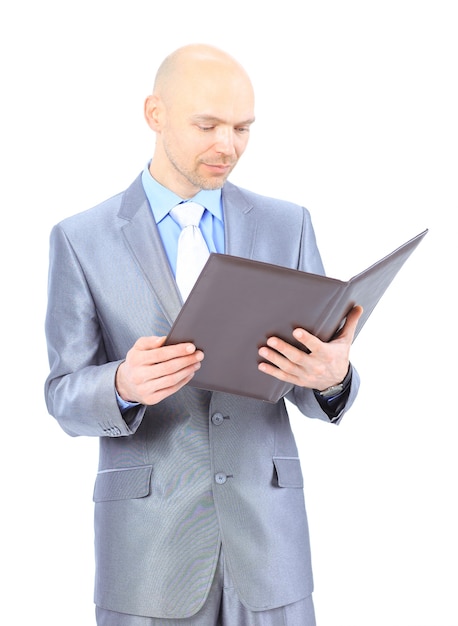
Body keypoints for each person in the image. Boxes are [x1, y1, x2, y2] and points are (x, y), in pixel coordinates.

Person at [44, 43, 363, 626]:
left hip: (270, 548)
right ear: (155, 114)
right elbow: (62, 395)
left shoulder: (288, 225)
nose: (228, 145)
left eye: (243, 128)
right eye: (208, 125)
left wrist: (333, 378)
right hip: (148, 554)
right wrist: (120, 384)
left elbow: (318, 372)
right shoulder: (80, 239)